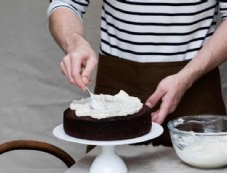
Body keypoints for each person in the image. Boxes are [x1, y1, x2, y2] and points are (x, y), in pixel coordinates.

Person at [47, 0, 227, 146]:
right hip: (115, 87)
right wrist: (75, 44)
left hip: (196, 88)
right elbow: (65, 3)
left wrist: (187, 77)